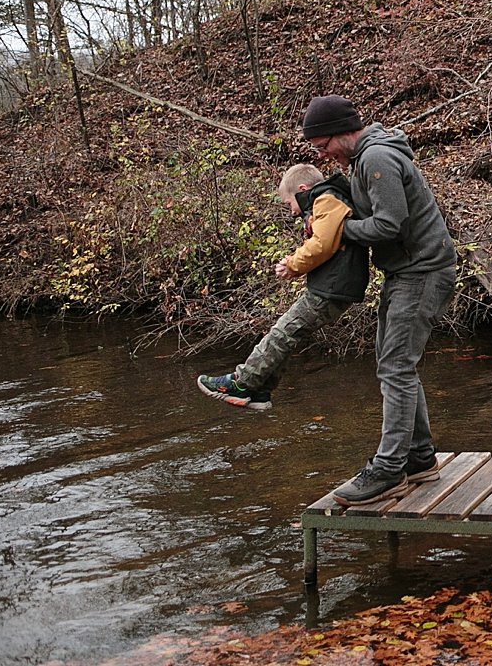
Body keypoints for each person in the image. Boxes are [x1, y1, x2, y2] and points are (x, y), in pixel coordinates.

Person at [300, 94, 459, 507]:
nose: (324, 155)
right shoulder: (363, 160)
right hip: (408, 271)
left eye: (323, 146)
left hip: (422, 272)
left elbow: (389, 224)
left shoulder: (376, 160)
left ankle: (389, 471)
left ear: (343, 132)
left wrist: (337, 232)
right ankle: (420, 458)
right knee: (393, 363)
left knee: (396, 367)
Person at [196, 163, 369, 411]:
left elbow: (322, 244)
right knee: (289, 335)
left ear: (302, 189)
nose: (291, 212)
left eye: (289, 203)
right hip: (333, 286)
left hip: (331, 288)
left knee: (281, 333)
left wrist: (293, 264)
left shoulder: (327, 200)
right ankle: (261, 391)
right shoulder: (327, 201)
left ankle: (242, 383)